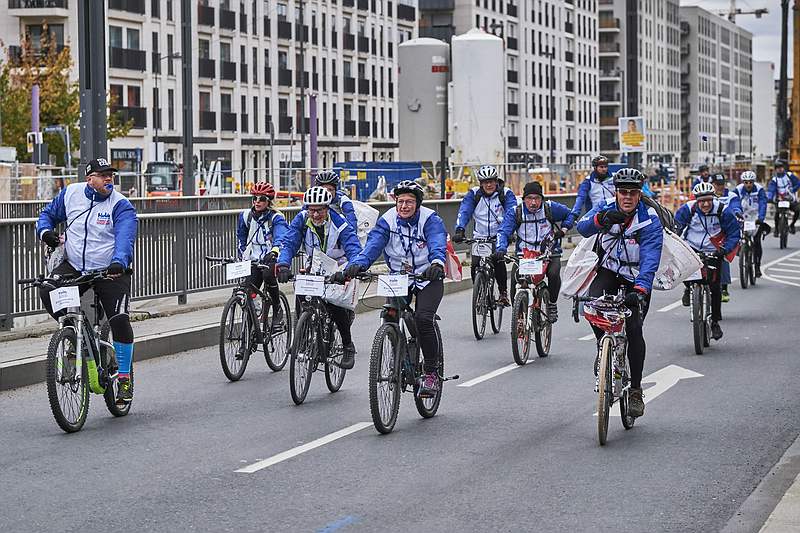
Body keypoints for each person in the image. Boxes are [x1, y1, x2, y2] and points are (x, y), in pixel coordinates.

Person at [36, 158, 138, 404]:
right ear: (89, 178)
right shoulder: (71, 193)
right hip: (75, 266)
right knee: (47, 288)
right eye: (103, 175)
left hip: (109, 270)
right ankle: (73, 332)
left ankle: (123, 378)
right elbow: (48, 214)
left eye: (110, 175)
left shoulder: (121, 205)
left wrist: (119, 262)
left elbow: (125, 237)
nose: (108, 179)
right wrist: (46, 232)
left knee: (119, 320)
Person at [339, 181, 448, 397]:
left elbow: (437, 241)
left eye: (409, 202)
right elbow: (373, 245)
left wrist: (437, 263)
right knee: (390, 314)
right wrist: (358, 264)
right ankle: (397, 349)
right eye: (401, 201)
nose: (404, 206)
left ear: (417, 204)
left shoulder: (430, 219)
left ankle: (431, 373)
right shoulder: (387, 220)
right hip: (400, 277)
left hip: (428, 277)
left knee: (424, 319)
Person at [576, 168, 663, 419]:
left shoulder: (649, 218)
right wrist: (602, 219)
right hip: (610, 270)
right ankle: (601, 347)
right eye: (623, 192)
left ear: (639, 194)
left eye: (632, 193)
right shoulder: (605, 206)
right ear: (616, 192)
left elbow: (651, 256)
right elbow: (582, 228)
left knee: (634, 328)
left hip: (636, 277)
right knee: (592, 307)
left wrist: (641, 289)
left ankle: (635, 390)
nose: (627, 197)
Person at [275, 186, 362, 369]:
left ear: (327, 208)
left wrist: (352, 268)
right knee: (302, 295)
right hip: (315, 264)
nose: (315, 215)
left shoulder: (340, 223)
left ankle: (348, 345)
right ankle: (303, 336)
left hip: (338, 266)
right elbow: (290, 243)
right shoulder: (301, 219)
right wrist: (283, 264)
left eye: (319, 210)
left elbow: (353, 247)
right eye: (311, 210)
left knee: (333, 303)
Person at [496, 181, 575, 322]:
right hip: (525, 253)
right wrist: (501, 249)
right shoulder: (516, 212)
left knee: (554, 273)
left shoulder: (550, 208)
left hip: (549, 252)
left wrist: (563, 230)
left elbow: (570, 214)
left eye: (537, 198)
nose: (533, 202)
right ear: (524, 199)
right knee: (516, 278)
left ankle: (551, 304)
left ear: (542, 199)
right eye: (529, 198)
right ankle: (518, 316)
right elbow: (503, 231)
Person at [675, 182, 740, 340]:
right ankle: (688, 288)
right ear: (696, 201)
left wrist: (724, 249)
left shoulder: (723, 211)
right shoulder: (687, 209)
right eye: (701, 201)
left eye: (708, 200)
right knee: (683, 272)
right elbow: (675, 228)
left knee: (715, 287)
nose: (705, 204)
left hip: (714, 250)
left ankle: (715, 322)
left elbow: (734, 233)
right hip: (692, 247)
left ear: (713, 199)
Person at [452, 165, 516, 306]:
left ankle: (503, 292)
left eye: (491, 181)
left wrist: (510, 232)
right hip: (479, 236)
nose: (489, 184)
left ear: (496, 181)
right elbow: (465, 211)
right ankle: (480, 290)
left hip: (499, 235)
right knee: (475, 265)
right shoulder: (474, 194)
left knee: (498, 262)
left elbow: (512, 213)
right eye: (485, 182)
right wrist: (460, 229)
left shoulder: (505, 194)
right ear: (480, 183)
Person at [236, 182, 289, 335]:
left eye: (262, 199)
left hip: (271, 256)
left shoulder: (276, 218)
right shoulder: (245, 216)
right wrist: (241, 254)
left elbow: (281, 237)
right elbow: (241, 237)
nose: (257, 202)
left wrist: (274, 251)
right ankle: (249, 334)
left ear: (269, 201)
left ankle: (277, 309)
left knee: (268, 274)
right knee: (248, 287)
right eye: (254, 198)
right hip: (253, 258)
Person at [712, 174, 742, 303]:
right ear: (712, 184)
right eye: (717, 184)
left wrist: (736, 212)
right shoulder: (706, 195)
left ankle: (724, 288)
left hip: (723, 231)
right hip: (706, 231)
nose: (720, 187)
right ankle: (688, 289)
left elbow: (736, 206)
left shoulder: (731, 196)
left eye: (722, 184)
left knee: (722, 257)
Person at [733, 171, 768, 277]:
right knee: (736, 237)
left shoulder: (759, 189)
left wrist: (761, 218)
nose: (748, 184)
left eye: (750, 182)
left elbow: (763, 204)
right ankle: (743, 251)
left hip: (755, 217)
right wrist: (735, 214)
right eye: (746, 182)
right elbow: (734, 202)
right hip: (743, 216)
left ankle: (757, 266)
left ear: (754, 182)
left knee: (757, 242)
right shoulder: (738, 190)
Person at [767, 159, 800, 235]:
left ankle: (792, 225)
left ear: (784, 168)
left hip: (790, 199)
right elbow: (771, 190)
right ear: (775, 169)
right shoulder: (774, 180)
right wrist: (770, 198)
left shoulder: (789, 175)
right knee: (777, 214)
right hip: (780, 200)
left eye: (781, 167)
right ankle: (776, 230)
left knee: (798, 210)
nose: (780, 169)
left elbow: (798, 183)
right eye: (778, 167)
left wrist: (793, 190)